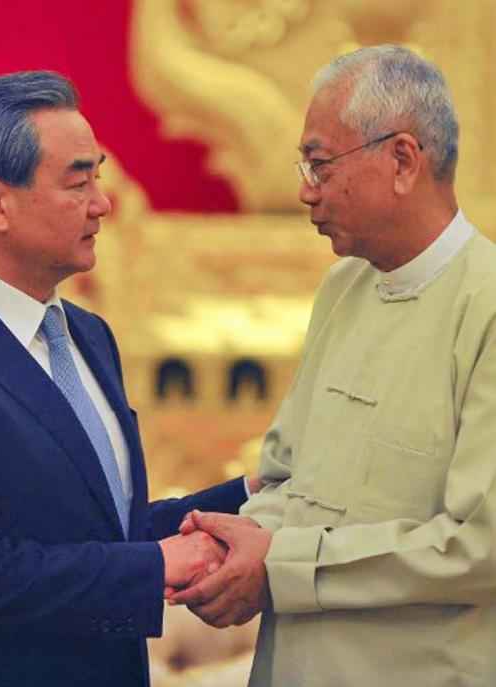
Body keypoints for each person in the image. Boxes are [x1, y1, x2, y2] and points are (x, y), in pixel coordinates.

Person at [0, 70, 255, 686]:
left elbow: (110, 528)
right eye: (79, 182)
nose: (103, 204)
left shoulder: (88, 335)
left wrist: (248, 493)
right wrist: (155, 567)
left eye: (99, 175)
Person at [169, 45, 496, 685]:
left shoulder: (485, 306)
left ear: (402, 160)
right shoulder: (343, 288)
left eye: (319, 165)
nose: (303, 190)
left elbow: (479, 546)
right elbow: (287, 480)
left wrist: (283, 568)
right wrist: (223, 549)